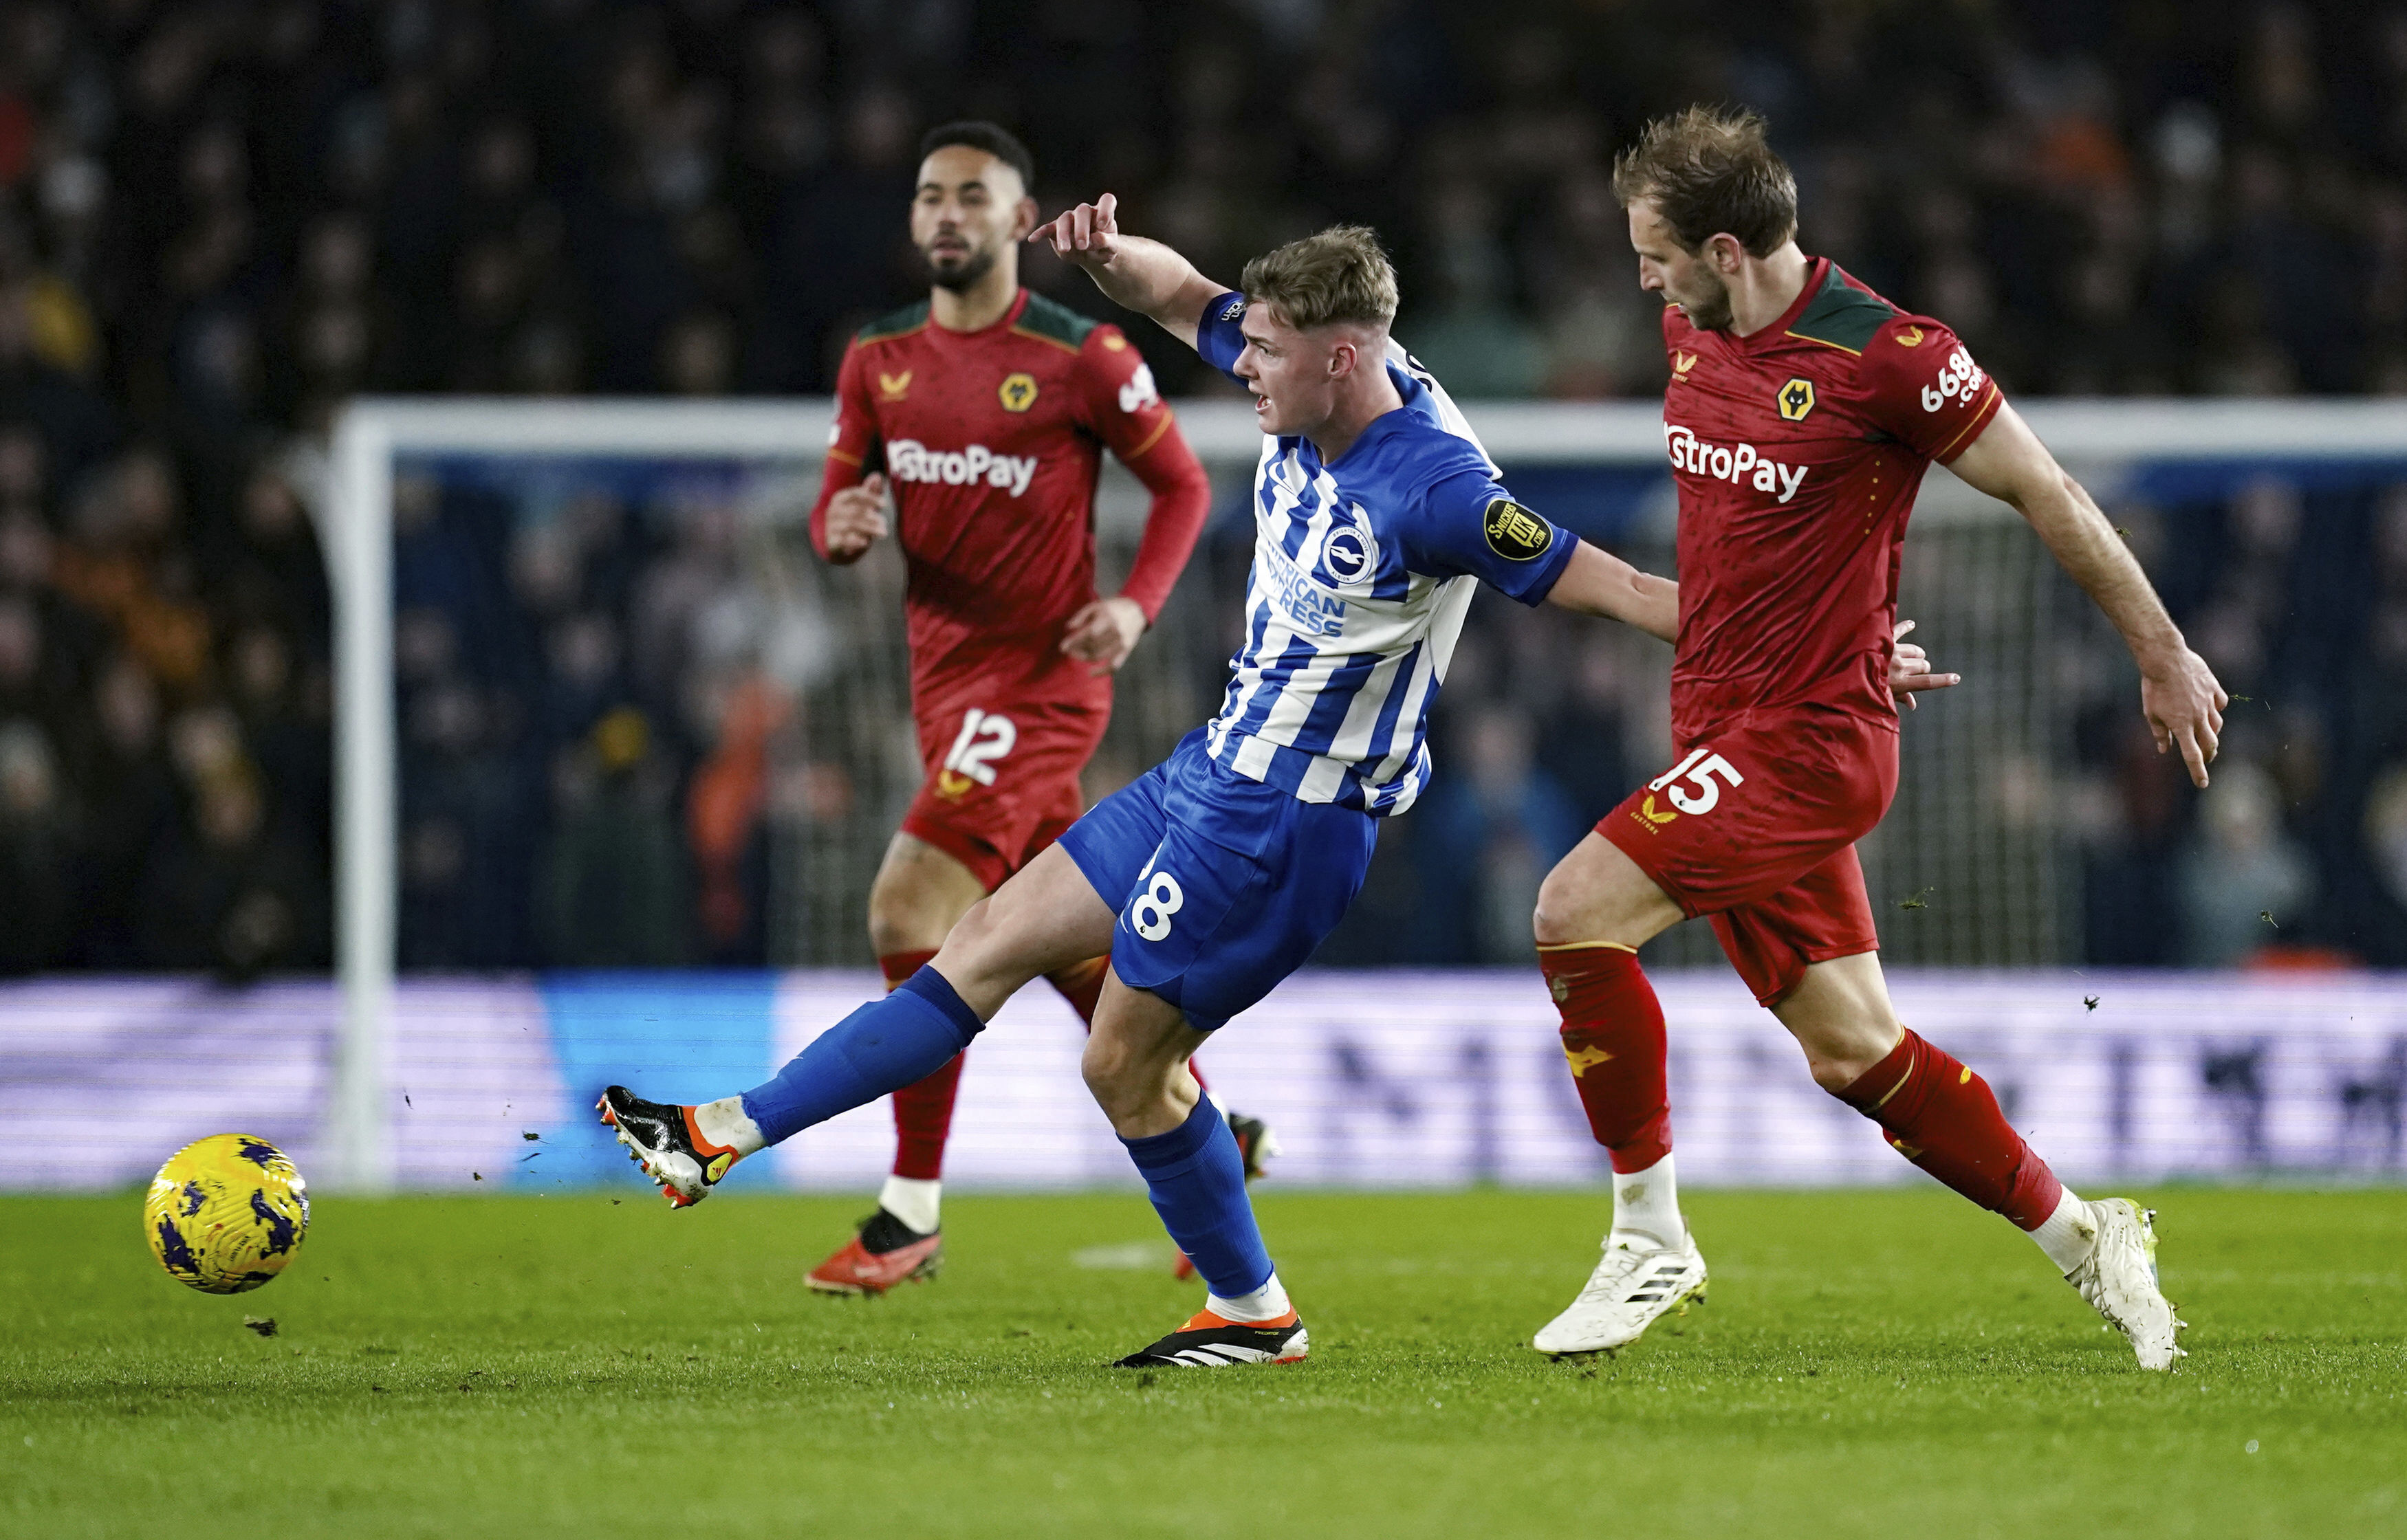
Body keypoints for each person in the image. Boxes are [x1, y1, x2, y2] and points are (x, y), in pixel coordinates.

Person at [597, 203, 1696, 1365]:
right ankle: (719, 1131)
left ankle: (1253, 1310)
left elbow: (1623, 588)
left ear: (1342, 356)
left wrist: (1809, 650)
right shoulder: (1310, 369)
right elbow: (1182, 297)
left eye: (1266, 355)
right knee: (980, 939)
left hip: (1288, 819)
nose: (1244, 370)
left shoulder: (1440, 491)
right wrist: (1110, 260)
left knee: (1122, 1062)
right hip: (1209, 769)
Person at [1523, 107, 2224, 1372]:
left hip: (1805, 746)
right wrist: (1847, 635)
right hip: (1729, 721)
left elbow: (2047, 491)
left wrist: (2160, 650)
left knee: (1572, 909)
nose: (1643, 281)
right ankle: (2089, 1235)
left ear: (1726, 249)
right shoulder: (1692, 330)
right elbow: (1760, 552)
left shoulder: (1892, 355)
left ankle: (1648, 1237)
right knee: (1855, 1052)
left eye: (1655, 255)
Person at [791, 122, 1229, 1295]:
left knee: (912, 895)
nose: (947, 215)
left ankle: (909, 1211)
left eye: (972, 197)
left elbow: (1184, 484)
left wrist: (1134, 609)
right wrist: (838, 531)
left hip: (1045, 684)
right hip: (943, 684)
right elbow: (839, 497)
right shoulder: (874, 361)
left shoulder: (1081, 354)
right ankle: (1214, 1140)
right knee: (1062, 941)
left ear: (1018, 217)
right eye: (931, 196)